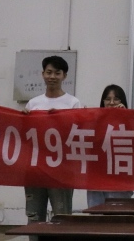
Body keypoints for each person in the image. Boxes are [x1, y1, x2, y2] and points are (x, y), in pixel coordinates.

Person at [23, 55, 82, 224]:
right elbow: (24, 136)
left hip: (62, 169)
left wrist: (62, 120)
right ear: (43, 74)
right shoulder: (33, 104)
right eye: (49, 72)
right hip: (35, 168)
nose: (52, 77)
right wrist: (23, 119)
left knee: (62, 217)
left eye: (57, 73)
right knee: (34, 217)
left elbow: (78, 134)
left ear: (64, 76)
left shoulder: (73, 103)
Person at [86, 85, 133, 208]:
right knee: (96, 215)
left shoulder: (130, 120)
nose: (111, 103)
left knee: (118, 215)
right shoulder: (94, 121)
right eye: (108, 99)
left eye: (116, 99)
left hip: (120, 179)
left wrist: (125, 117)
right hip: (96, 178)